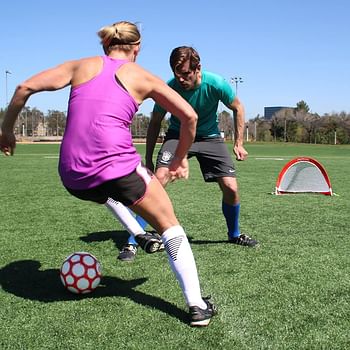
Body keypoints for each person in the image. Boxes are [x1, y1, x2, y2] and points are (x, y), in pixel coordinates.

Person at [0, 23, 216, 327]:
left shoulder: (80, 66)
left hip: (72, 175)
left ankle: (139, 234)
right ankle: (197, 306)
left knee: (107, 191)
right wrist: (180, 159)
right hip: (117, 167)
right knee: (170, 227)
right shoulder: (143, 76)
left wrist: (6, 130)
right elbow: (189, 116)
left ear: (106, 46)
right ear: (137, 47)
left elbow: (24, 87)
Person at [115, 45, 259, 261]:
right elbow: (155, 122)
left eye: (185, 74)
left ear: (197, 68)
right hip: (177, 134)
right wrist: (147, 158)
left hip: (210, 137)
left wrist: (238, 143)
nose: (180, 79)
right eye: (176, 73)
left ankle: (234, 234)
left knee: (231, 187)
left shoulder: (216, 84)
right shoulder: (170, 87)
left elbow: (238, 107)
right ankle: (134, 240)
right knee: (158, 180)